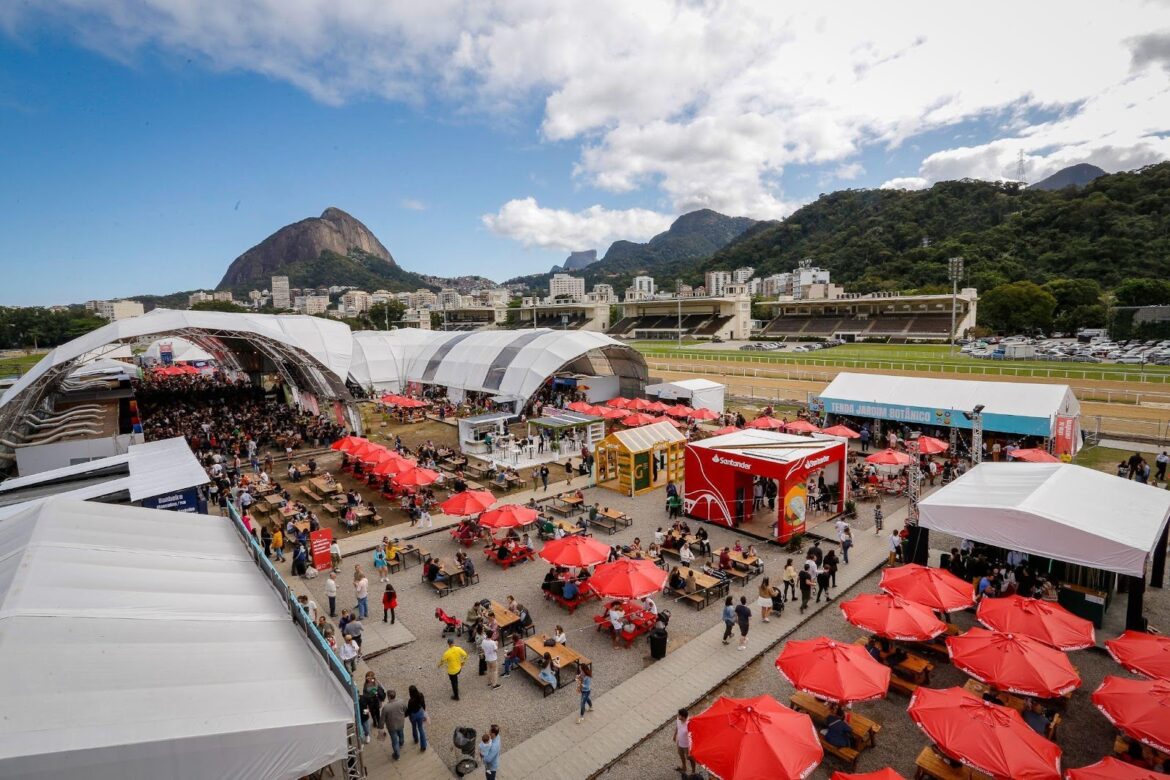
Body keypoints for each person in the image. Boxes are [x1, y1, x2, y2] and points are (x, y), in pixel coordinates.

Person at [381, 689, 407, 760]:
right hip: (400, 723)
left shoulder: (386, 707)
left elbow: (382, 719)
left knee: (394, 741)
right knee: (401, 733)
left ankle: (397, 754)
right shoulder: (401, 702)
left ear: (388, 697)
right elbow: (405, 709)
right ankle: (401, 743)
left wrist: (381, 727)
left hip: (391, 726)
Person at [406, 685, 428, 752]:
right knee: (421, 728)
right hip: (420, 713)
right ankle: (423, 746)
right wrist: (423, 711)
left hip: (413, 715)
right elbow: (423, 704)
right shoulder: (420, 695)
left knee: (414, 727)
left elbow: (409, 710)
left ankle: (416, 739)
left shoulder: (410, 701)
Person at [675, 708, 696, 775]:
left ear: (683, 717)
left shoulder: (689, 723)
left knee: (689, 758)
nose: (677, 716)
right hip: (680, 742)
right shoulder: (678, 719)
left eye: (679, 715)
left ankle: (693, 772)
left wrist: (691, 747)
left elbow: (693, 734)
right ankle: (684, 767)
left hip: (687, 745)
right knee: (680, 754)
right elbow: (677, 727)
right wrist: (675, 735)